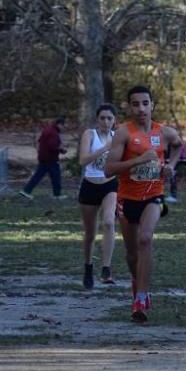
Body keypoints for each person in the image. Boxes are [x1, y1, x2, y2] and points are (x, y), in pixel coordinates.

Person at [104, 86, 184, 322]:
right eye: (135, 104)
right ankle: (138, 281)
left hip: (153, 196)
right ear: (129, 107)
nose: (141, 108)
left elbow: (179, 145)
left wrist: (171, 166)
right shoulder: (123, 133)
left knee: (145, 238)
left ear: (152, 105)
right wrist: (139, 160)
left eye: (145, 103)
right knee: (131, 254)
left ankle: (141, 297)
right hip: (127, 199)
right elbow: (109, 169)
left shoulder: (164, 132)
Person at [77, 105, 118, 288]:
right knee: (90, 233)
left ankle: (106, 268)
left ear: (114, 120)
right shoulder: (90, 135)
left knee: (109, 222)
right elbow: (83, 160)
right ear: (97, 120)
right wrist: (105, 149)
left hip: (110, 185)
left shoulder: (117, 137)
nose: (106, 122)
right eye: (102, 118)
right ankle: (88, 266)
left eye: (109, 118)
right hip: (89, 185)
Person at [19, 117, 68, 200]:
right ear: (59, 124)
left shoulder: (48, 130)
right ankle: (57, 195)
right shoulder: (53, 133)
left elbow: (40, 141)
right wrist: (62, 150)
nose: (64, 128)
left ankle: (26, 190)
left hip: (43, 157)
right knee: (55, 176)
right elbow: (52, 146)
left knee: (40, 175)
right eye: (63, 126)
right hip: (50, 158)